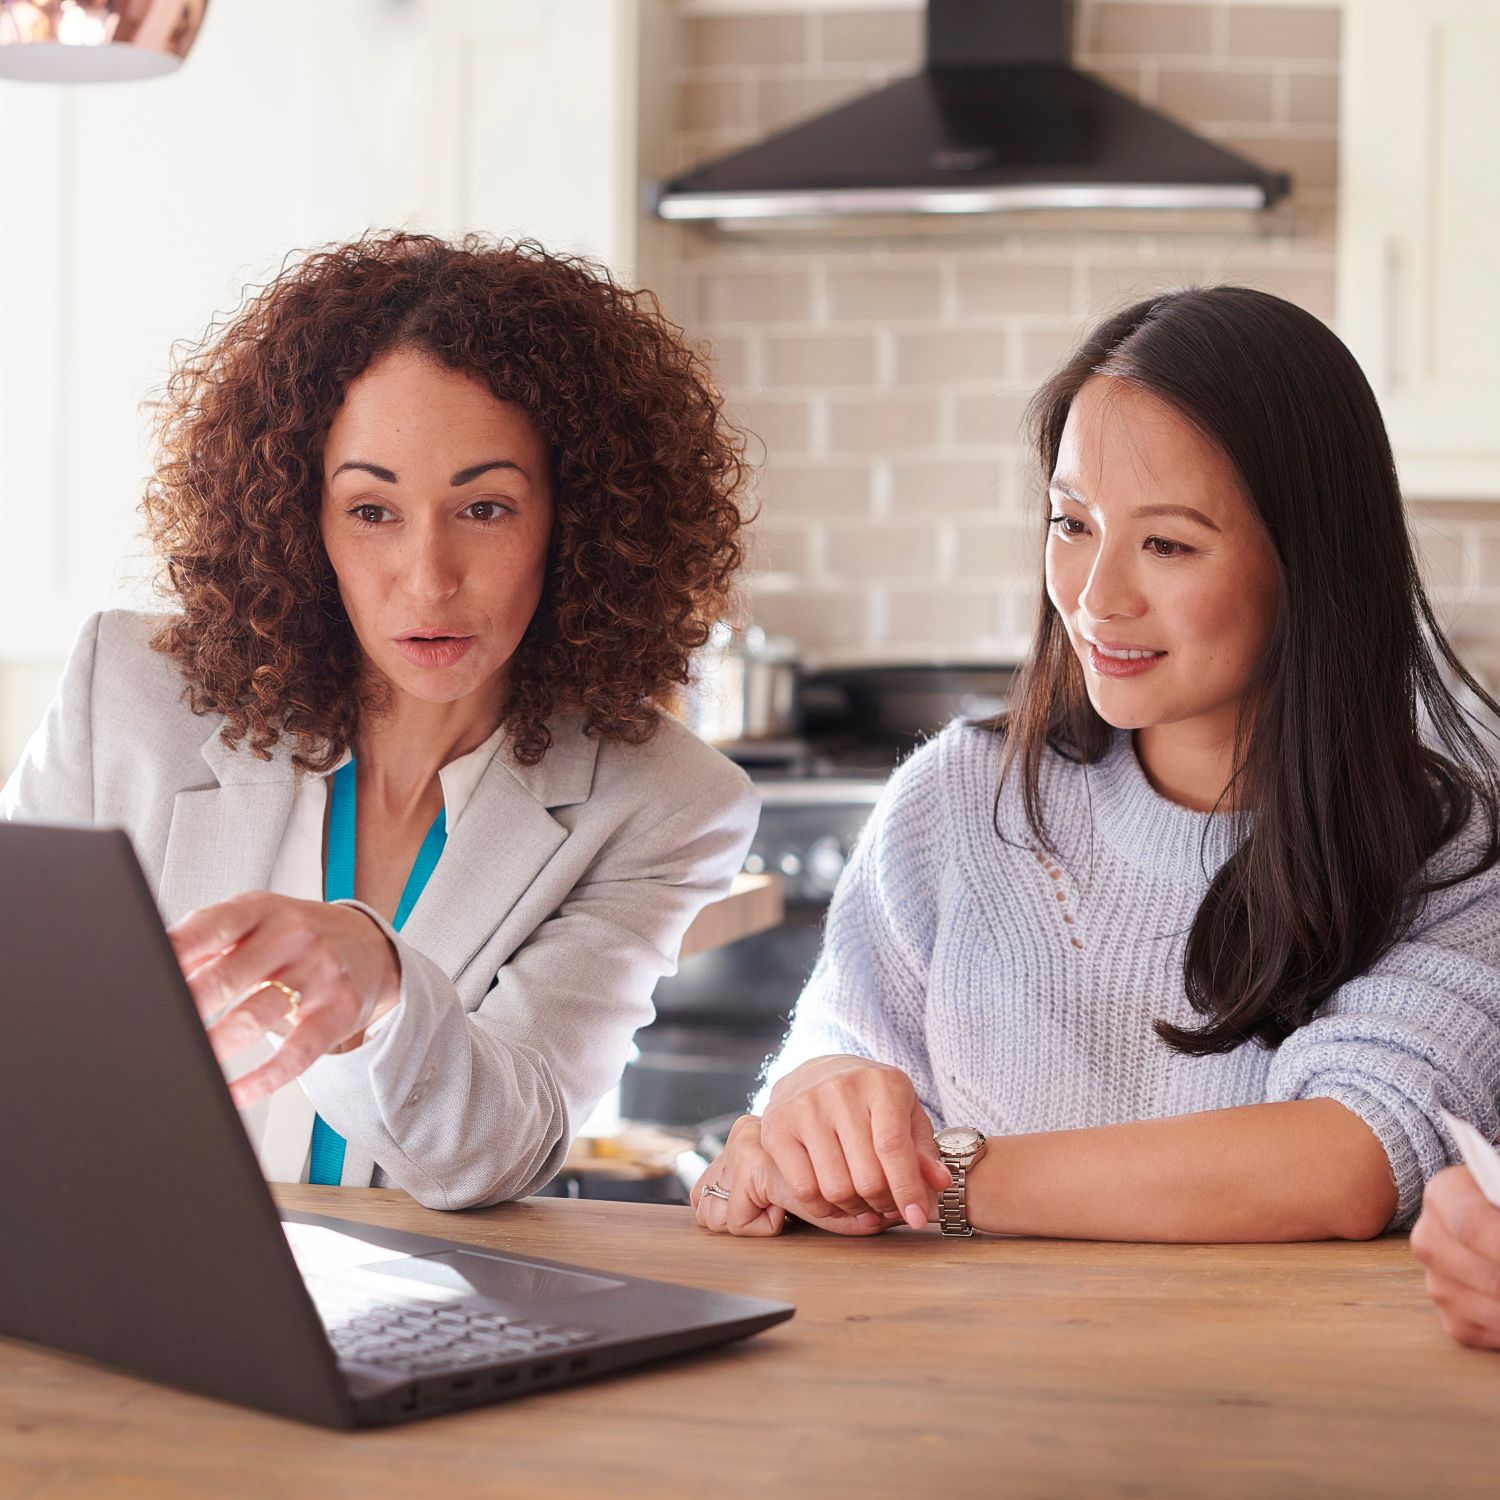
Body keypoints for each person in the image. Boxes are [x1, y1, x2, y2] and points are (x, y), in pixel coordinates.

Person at [693, 285, 1500, 1243]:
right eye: (1072, 524)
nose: (1096, 598)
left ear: (1309, 565)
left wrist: (929, 1177)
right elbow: (826, 1075)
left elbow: (1349, 1158)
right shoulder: (958, 798)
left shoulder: (1452, 856)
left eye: (1166, 543)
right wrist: (815, 1112)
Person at [2, 231, 759, 1210]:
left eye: (484, 509)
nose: (429, 580)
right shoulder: (129, 696)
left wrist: (382, 983)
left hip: (418, 1325)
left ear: (574, 521)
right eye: (372, 511)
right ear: (298, 517)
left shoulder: (664, 804)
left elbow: (498, 1153)